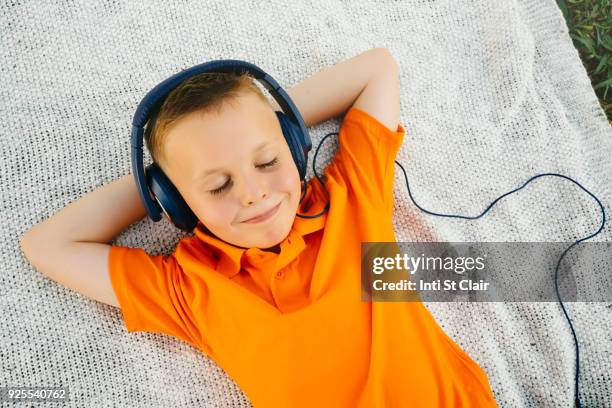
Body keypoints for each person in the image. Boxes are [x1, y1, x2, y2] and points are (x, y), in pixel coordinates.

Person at [20, 48, 498, 407]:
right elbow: (46, 245)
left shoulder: (351, 201)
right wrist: (158, 185)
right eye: (218, 185)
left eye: (267, 159)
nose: (252, 193)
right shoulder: (188, 287)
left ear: (293, 144)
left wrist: (268, 122)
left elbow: (376, 68)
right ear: (176, 203)